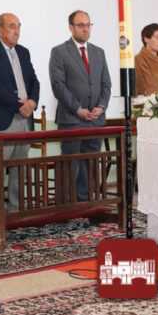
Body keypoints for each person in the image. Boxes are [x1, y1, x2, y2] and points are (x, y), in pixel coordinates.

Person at [0, 13, 40, 220]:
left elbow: (34, 82)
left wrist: (32, 102)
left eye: (18, 26)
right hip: (1, 119)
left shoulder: (23, 52)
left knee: (19, 169)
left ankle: (15, 212)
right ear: (0, 29)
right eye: (12, 26)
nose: (17, 30)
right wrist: (19, 105)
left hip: (24, 119)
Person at [48, 10, 111, 202]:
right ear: (71, 27)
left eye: (88, 25)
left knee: (90, 165)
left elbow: (106, 84)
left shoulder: (98, 52)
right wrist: (78, 109)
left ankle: (86, 203)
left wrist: (101, 106)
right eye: (81, 25)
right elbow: (58, 86)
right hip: (72, 119)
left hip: (95, 120)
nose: (85, 29)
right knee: (71, 165)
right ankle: (66, 205)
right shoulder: (59, 52)